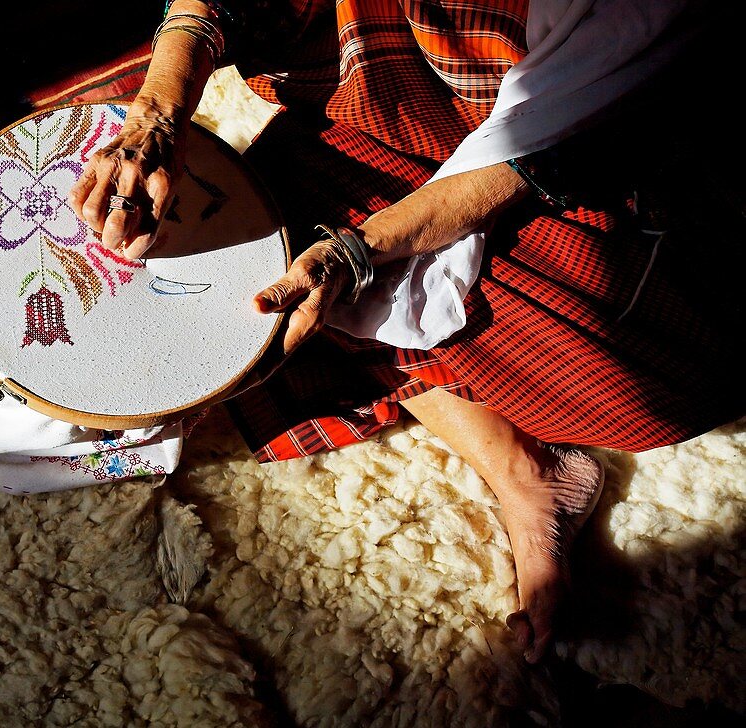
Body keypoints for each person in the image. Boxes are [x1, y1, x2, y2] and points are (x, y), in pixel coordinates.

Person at [67, 0, 745, 663]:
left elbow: (539, 144)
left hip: (599, 144)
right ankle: (522, 468)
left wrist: (357, 252)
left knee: (654, 382)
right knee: (255, 263)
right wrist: (158, 111)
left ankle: (525, 448)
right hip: (402, 99)